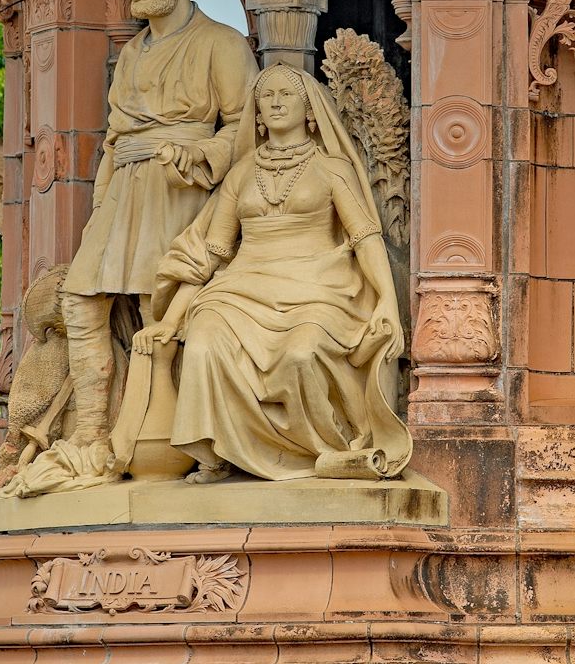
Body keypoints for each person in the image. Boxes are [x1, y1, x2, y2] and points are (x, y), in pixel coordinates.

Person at [127, 63, 411, 483]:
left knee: (301, 353)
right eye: (267, 97)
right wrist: (169, 322)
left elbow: (366, 237)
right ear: (257, 113)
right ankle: (218, 454)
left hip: (319, 289)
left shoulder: (332, 168)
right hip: (241, 288)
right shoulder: (242, 173)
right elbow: (214, 251)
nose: (276, 102)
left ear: (309, 108)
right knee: (203, 340)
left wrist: (386, 299)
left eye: (286, 95)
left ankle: (324, 453)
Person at [58, 0, 259, 472]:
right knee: (79, 301)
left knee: (160, 307)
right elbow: (115, 134)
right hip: (125, 189)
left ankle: (177, 439)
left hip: (181, 189)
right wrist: (101, 199)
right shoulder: (133, 54)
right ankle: (92, 434)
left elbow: (246, 126)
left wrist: (204, 155)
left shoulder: (222, 44)